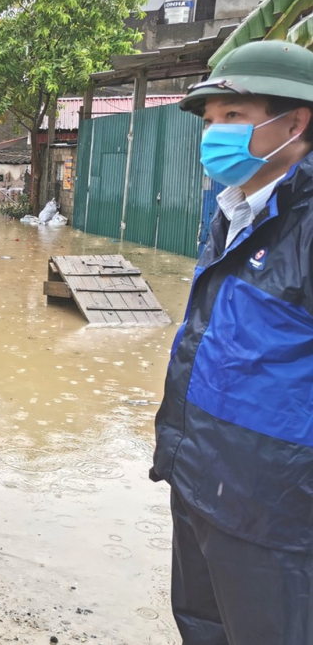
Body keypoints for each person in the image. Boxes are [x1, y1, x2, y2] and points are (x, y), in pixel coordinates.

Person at [152, 40, 313, 644]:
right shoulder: (230, 210)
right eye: (211, 120)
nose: (213, 134)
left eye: (234, 117)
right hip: (200, 476)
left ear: (294, 121)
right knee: (203, 625)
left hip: (276, 504)